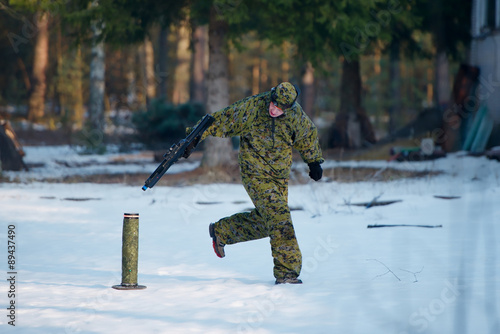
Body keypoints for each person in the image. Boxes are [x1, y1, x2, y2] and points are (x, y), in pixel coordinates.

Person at [194, 82, 324, 284]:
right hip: (254, 173)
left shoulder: (295, 115)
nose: (273, 109)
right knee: (280, 218)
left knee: (269, 223)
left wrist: (314, 161)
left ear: (288, 108)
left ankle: (222, 231)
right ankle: (287, 273)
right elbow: (223, 119)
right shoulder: (254, 107)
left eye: (279, 108)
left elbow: (307, 135)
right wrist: (194, 138)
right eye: (273, 104)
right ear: (271, 97)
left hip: (279, 177)